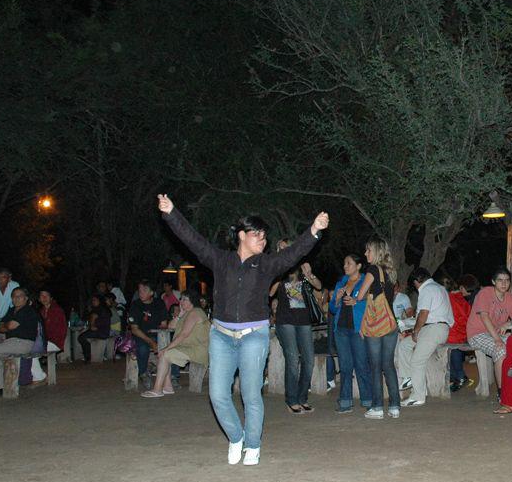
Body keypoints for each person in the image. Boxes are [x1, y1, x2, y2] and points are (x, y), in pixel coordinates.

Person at [159, 193, 328, 467]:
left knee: (250, 394)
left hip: (254, 336)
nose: (263, 239)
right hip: (222, 336)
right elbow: (192, 240)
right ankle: (236, 437)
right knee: (218, 395)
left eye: (264, 236)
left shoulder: (267, 264)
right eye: (257, 234)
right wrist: (171, 213)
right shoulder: (219, 259)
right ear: (241, 235)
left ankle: (253, 445)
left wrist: (313, 231)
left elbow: (294, 252)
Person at [269, 239, 322, 414]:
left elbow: (318, 286)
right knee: (292, 360)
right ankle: (291, 399)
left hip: (304, 320)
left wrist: (310, 275)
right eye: (280, 248)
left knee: (308, 359)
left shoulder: (302, 265)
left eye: (287, 247)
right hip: (285, 321)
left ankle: (302, 398)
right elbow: (270, 292)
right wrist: (278, 273)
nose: (284, 250)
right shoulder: (276, 267)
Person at [352, 236, 401, 419]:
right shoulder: (391, 272)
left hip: (376, 325)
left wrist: (357, 295)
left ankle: (378, 407)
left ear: (376, 251)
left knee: (375, 366)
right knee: (388, 365)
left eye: (368, 250)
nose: (365, 253)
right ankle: (395, 406)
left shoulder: (373, 269)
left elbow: (361, 295)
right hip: (390, 324)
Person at [396, 268, 452, 407]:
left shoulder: (426, 289)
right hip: (436, 328)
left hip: (434, 329)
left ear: (416, 281)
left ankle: (418, 396)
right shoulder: (439, 288)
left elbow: (423, 313)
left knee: (417, 361)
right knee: (404, 345)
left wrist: (415, 331)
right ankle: (409, 377)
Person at [464, 267, 512, 397]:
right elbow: (484, 317)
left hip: (495, 333)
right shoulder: (485, 293)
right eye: (500, 280)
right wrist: (497, 339)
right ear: (493, 282)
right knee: (500, 350)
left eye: (507, 280)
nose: (504, 283)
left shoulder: (510, 298)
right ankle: (502, 392)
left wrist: (508, 323)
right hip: (477, 333)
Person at [142, 290, 210, 398]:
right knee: (166, 354)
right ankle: (168, 387)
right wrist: (179, 316)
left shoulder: (195, 312)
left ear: (192, 301)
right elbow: (170, 327)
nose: (181, 302)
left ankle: (157, 389)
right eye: (181, 299)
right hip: (188, 348)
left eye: (185, 299)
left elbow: (183, 334)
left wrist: (166, 348)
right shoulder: (187, 313)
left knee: (165, 354)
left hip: (197, 350)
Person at [329, 253, 372, 414]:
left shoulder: (365, 281)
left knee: (361, 365)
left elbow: (371, 303)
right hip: (341, 330)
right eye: (344, 264)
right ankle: (345, 402)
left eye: (349, 263)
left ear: (358, 266)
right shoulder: (341, 282)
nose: (345, 266)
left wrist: (357, 302)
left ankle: (368, 400)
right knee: (345, 367)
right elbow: (333, 309)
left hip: (357, 329)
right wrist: (337, 300)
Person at [127, 280, 168, 382]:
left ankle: (173, 376)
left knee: (171, 346)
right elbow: (134, 329)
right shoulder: (135, 305)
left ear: (152, 293)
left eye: (144, 290)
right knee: (143, 348)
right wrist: (151, 342)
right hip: (140, 335)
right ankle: (143, 373)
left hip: (156, 334)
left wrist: (160, 339)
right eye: (140, 291)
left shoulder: (159, 303)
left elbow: (164, 324)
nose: (141, 293)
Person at [448, 274, 478, 392]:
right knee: (451, 343)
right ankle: (458, 376)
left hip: (460, 331)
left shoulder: (451, 298)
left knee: (450, 344)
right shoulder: (463, 298)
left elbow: (458, 318)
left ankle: (458, 377)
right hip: (465, 330)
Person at [78, 293, 112, 364]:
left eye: (95, 300)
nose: (93, 302)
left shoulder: (102, 309)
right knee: (82, 335)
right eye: (92, 300)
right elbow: (89, 319)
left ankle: (88, 357)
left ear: (100, 301)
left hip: (102, 332)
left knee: (81, 337)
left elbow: (94, 321)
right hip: (99, 330)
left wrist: (93, 324)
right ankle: (87, 356)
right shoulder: (97, 309)